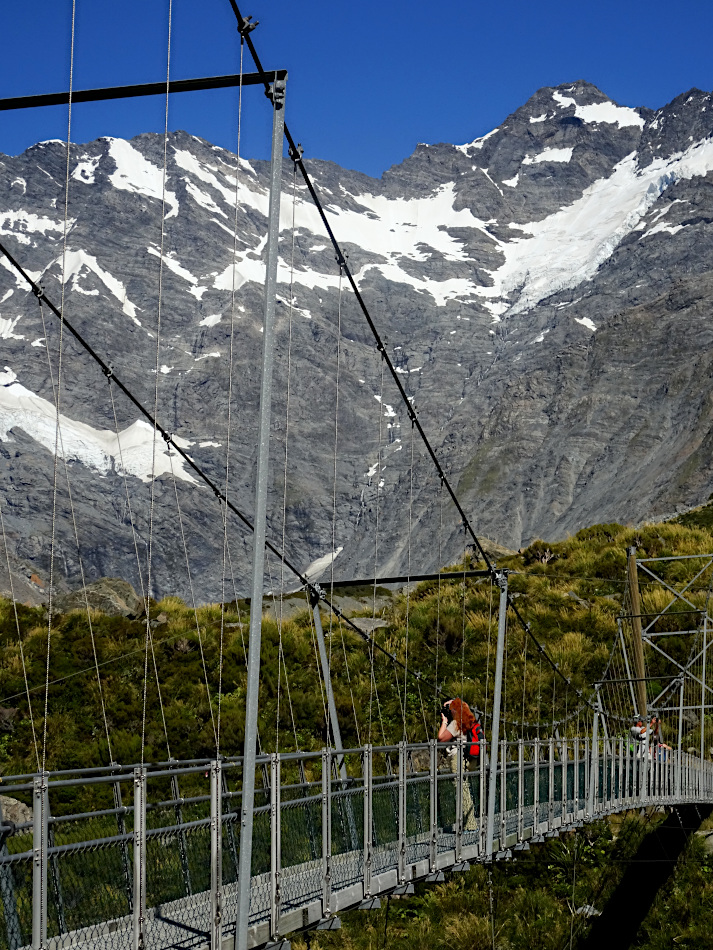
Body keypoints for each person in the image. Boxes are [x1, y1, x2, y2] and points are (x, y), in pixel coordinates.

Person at [438, 698, 478, 831]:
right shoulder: (469, 720)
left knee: (462, 791)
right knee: (464, 789)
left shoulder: (456, 723)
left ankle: (471, 825)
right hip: (469, 758)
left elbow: (441, 738)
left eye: (450, 709)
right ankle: (470, 823)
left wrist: (444, 721)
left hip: (458, 758)